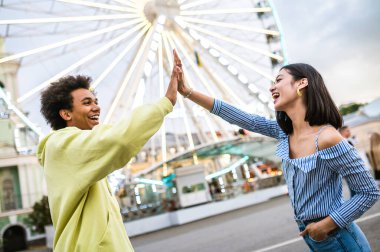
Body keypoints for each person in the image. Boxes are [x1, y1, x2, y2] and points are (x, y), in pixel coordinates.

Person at [174, 52, 380, 251]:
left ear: (302, 83)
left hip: (337, 237)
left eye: (279, 80)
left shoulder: (327, 138)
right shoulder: (284, 134)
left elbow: (368, 191)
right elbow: (241, 117)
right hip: (314, 236)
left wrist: (325, 225)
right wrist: (187, 91)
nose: (271, 87)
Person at [37, 51, 181, 251]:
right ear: (66, 113)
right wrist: (166, 102)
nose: (97, 107)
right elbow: (120, 140)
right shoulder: (62, 145)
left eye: (95, 101)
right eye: (87, 103)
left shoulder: (78, 151)